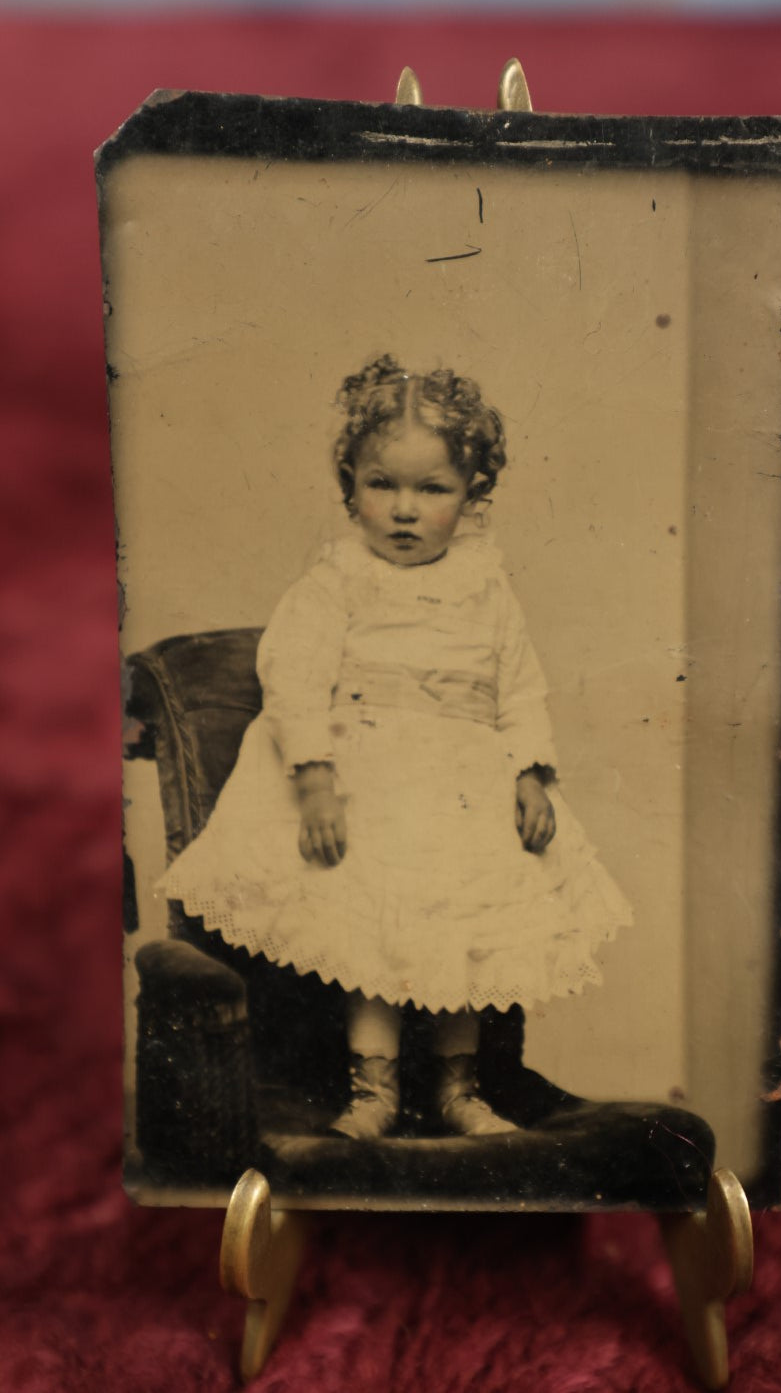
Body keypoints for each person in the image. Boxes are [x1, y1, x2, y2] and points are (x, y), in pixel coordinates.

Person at [162, 354, 632, 1139]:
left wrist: (528, 773)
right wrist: (313, 780)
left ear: (472, 493)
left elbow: (518, 685)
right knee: (371, 926)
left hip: (462, 787)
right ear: (350, 483)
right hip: (365, 779)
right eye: (383, 484)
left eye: (433, 489)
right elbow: (294, 677)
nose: (405, 510)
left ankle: (459, 1088)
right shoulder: (338, 577)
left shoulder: (487, 583)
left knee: (466, 928)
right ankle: (371, 1090)